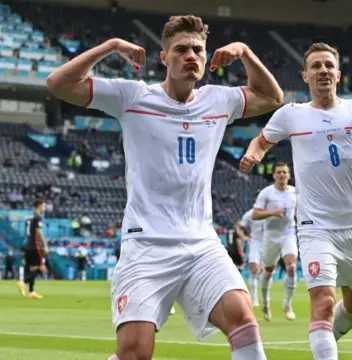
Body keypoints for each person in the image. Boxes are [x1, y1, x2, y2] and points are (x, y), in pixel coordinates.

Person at [46, 14, 283, 360]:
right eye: (181, 49)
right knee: (134, 353)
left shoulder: (218, 100)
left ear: (206, 58)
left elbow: (271, 96)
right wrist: (111, 47)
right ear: (164, 57)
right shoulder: (132, 96)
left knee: (245, 323)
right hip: (147, 246)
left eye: (198, 50)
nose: (191, 56)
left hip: (201, 243)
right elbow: (58, 83)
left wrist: (245, 52)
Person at [240, 42, 352, 360]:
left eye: (328, 65)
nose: (322, 70)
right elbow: (261, 141)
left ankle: (327, 341)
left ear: (338, 74)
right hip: (315, 226)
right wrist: (253, 154)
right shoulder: (291, 115)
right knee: (322, 301)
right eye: (316, 66)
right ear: (305, 75)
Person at [251, 162, 298, 321]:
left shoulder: (294, 192)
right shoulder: (266, 193)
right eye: (279, 172)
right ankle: (265, 303)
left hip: (288, 233)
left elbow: (300, 211)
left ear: (289, 175)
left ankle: (287, 304)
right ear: (274, 175)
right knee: (269, 270)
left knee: (291, 266)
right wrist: (273, 213)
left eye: (285, 172)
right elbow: (255, 215)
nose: (282, 175)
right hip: (271, 235)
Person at [237, 190, 265, 307]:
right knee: (254, 269)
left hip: (269, 243)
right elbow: (239, 226)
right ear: (255, 200)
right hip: (255, 242)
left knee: (266, 271)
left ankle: (265, 299)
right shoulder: (250, 214)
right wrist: (244, 237)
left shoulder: (271, 212)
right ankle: (254, 300)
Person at [17, 199, 49, 299]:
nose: (45, 208)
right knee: (41, 268)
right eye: (44, 206)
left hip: (27, 246)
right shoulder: (38, 218)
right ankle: (23, 282)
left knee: (32, 268)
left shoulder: (29, 218)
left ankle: (31, 292)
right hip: (34, 246)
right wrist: (45, 245)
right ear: (39, 206)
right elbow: (38, 233)